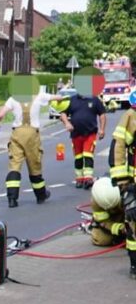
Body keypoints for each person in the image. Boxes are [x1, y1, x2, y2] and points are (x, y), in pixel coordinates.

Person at [0, 76, 64, 208]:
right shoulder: (39, 96)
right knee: (34, 165)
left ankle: (12, 199)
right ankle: (41, 195)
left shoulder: (13, 99)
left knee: (14, 165)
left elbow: (0, 115)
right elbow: (58, 98)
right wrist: (63, 96)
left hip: (17, 133)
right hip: (32, 134)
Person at [60, 87, 107, 189]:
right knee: (78, 157)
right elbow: (63, 113)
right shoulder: (72, 100)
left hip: (90, 133)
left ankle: (88, 178)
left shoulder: (94, 100)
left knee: (88, 154)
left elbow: (102, 114)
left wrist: (102, 129)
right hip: (76, 134)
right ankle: (79, 179)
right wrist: (67, 123)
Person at [111, 91, 136, 278]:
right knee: (133, 224)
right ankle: (135, 265)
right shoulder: (131, 116)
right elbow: (118, 147)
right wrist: (123, 181)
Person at [89, 177, 126, 247]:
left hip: (126, 213)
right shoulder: (96, 204)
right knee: (102, 239)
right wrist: (120, 229)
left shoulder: (124, 189)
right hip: (112, 219)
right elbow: (104, 222)